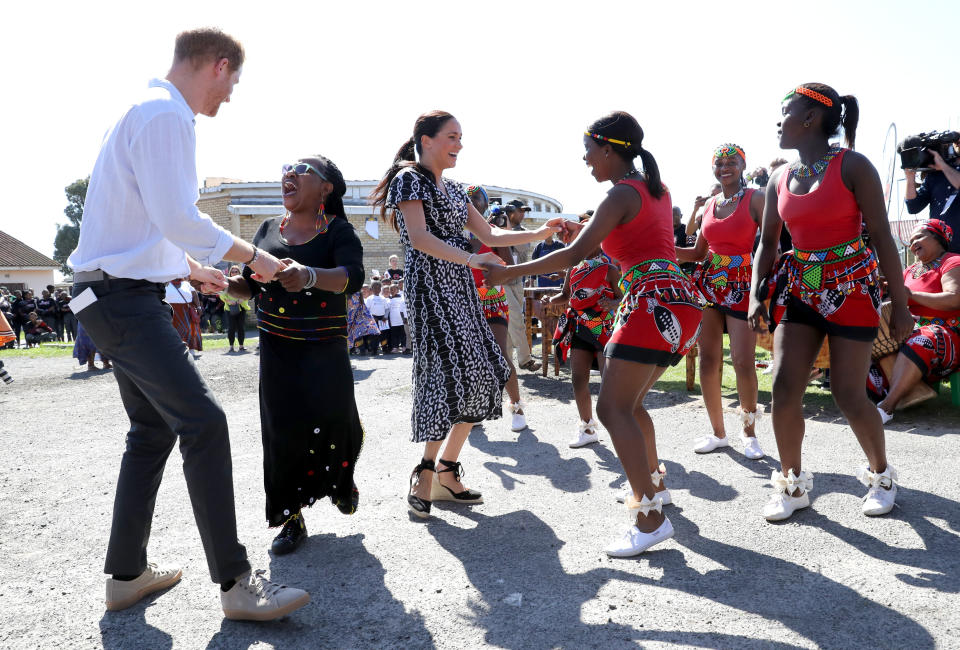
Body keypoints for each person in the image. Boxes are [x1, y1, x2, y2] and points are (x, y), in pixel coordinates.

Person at [66, 28, 309, 619]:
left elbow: (143, 222)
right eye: (232, 84)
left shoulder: (143, 112)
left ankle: (126, 576)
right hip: (121, 298)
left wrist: (195, 268)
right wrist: (257, 258)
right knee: (204, 421)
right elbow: (178, 214)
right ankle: (235, 586)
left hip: (112, 293)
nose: (228, 97)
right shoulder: (165, 116)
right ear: (219, 67)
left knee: (151, 433)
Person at [485, 111, 703, 557]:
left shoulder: (621, 192)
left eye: (589, 153)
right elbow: (639, 243)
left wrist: (508, 270)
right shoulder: (654, 190)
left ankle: (649, 519)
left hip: (649, 303)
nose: (587, 162)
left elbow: (573, 255)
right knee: (631, 405)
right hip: (677, 302)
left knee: (611, 407)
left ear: (608, 148)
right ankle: (655, 488)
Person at [370, 110, 562, 519]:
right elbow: (420, 238)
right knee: (444, 376)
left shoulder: (456, 189)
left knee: (489, 370)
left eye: (461, 137)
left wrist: (542, 233)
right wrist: (471, 259)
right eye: (452, 136)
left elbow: (491, 234)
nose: (459, 144)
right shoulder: (410, 179)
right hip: (430, 290)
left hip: (460, 288)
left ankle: (445, 470)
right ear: (426, 140)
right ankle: (425, 473)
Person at [747, 82, 913, 522]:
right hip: (800, 285)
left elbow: (883, 238)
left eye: (785, 112)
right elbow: (766, 243)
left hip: (852, 287)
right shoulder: (779, 178)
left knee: (846, 393)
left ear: (810, 118)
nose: (777, 121)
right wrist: (754, 293)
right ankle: (792, 483)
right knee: (783, 387)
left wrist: (901, 305)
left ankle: (881, 475)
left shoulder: (853, 166)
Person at [224, 155, 364, 555]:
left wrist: (309, 276)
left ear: (326, 189)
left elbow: (353, 278)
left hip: (324, 344)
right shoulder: (268, 230)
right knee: (281, 432)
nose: (289, 174)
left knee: (338, 421)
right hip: (276, 346)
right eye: (288, 169)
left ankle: (340, 480)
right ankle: (290, 519)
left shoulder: (339, 230)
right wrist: (221, 284)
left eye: (302, 170)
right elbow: (251, 287)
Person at [678, 144, 766, 459]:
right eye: (719, 163)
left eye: (731, 162)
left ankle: (749, 432)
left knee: (743, 361)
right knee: (708, 360)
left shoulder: (757, 198)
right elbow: (698, 253)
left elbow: (769, 243)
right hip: (709, 283)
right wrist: (660, 248)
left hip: (743, 283)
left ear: (743, 165)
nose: (724, 167)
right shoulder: (708, 206)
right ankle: (718, 433)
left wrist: (762, 289)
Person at [542, 212, 622, 448]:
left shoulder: (609, 268)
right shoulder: (573, 266)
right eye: (582, 238)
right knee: (578, 379)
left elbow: (622, 297)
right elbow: (566, 295)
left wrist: (614, 304)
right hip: (578, 327)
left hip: (603, 330)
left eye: (590, 237)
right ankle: (587, 427)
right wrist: (550, 299)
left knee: (608, 382)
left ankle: (619, 428)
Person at [871, 220, 960, 419]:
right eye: (910, 241)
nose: (913, 244)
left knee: (921, 339)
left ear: (939, 238)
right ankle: (906, 392)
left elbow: (955, 299)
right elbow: (895, 300)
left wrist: (908, 294)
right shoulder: (909, 271)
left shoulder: (952, 261)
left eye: (919, 237)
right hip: (911, 330)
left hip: (947, 334)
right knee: (864, 342)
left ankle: (887, 406)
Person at [465, 186, 527, 432]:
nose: (471, 205)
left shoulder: (493, 232)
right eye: (468, 201)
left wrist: (495, 275)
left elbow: (509, 268)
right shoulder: (454, 233)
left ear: (483, 205)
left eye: (475, 201)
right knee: (472, 357)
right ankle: (477, 407)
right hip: (467, 300)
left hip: (491, 299)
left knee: (500, 355)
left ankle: (517, 405)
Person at [502, 202, 541, 372]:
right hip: (502, 282)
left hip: (517, 281)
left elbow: (522, 248)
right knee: (516, 319)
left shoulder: (523, 232)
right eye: (520, 211)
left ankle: (507, 363)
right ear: (510, 212)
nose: (523, 214)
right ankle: (525, 360)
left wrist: (504, 231)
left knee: (511, 324)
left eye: (524, 211)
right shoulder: (496, 229)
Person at [904, 141, 960, 253]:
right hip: (941, 252)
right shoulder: (935, 175)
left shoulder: (943, 169)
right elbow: (913, 207)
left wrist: (943, 166)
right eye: (956, 142)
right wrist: (910, 177)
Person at [166, 279, 203, 359]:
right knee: (172, 331)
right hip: (171, 310)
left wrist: (198, 307)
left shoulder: (186, 284)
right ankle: (174, 351)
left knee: (190, 330)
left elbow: (195, 295)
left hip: (187, 310)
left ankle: (191, 349)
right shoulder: (164, 283)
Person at [219, 266, 248, 352]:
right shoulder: (226, 282)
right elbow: (221, 294)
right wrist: (227, 300)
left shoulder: (244, 282)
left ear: (239, 273)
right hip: (229, 308)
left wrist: (242, 299)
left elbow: (248, 292)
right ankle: (231, 346)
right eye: (233, 272)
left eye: (236, 271)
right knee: (231, 327)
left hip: (241, 307)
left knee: (241, 327)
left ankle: (241, 346)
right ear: (230, 273)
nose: (234, 273)